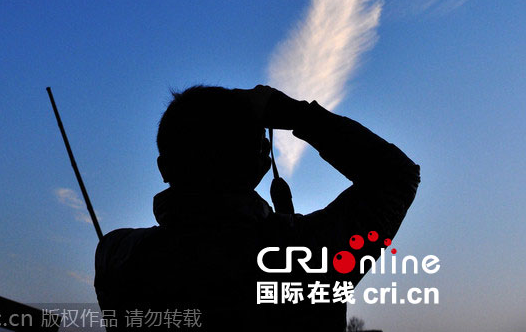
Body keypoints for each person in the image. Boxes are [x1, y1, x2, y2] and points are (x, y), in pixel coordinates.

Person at [94, 84, 420, 330]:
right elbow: (395, 176)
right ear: (259, 161)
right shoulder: (306, 254)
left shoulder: (118, 254)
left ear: (164, 167)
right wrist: (295, 113)